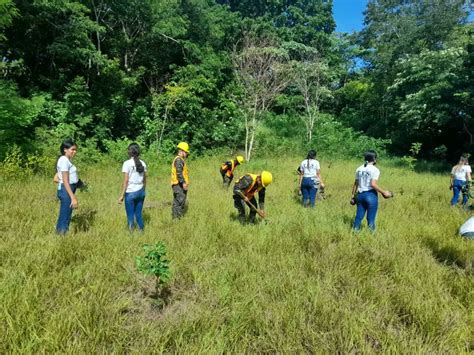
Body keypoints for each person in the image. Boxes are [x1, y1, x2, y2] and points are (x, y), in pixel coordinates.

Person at [350, 150, 392, 232]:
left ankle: (355, 232)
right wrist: (383, 192)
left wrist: (352, 196)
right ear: (374, 159)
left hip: (360, 195)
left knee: (358, 216)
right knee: (371, 218)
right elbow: (373, 184)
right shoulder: (375, 170)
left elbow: (356, 183)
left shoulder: (359, 169)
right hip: (370, 195)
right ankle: (371, 235)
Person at [118, 143, 147, 231]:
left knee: (130, 215)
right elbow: (145, 179)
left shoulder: (127, 163)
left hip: (130, 192)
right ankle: (141, 231)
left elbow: (126, 181)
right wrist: (143, 190)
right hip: (141, 191)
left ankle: (130, 232)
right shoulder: (143, 163)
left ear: (129, 152)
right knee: (138, 214)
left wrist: (122, 196)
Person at [55, 138, 79, 234]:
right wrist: (73, 198)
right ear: (65, 149)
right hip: (66, 190)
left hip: (67, 189)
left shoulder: (65, 160)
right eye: (72, 149)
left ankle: (60, 233)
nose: (74, 152)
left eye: (75, 150)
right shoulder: (64, 160)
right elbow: (65, 180)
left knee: (66, 214)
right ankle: (61, 235)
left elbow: (56, 177)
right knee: (65, 215)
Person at [171, 142, 190, 219]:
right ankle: (177, 219)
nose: (186, 155)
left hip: (178, 184)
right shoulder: (179, 160)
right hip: (178, 185)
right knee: (179, 202)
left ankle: (176, 218)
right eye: (186, 152)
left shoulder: (179, 160)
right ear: (182, 151)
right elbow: (179, 173)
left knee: (177, 201)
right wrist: (183, 183)